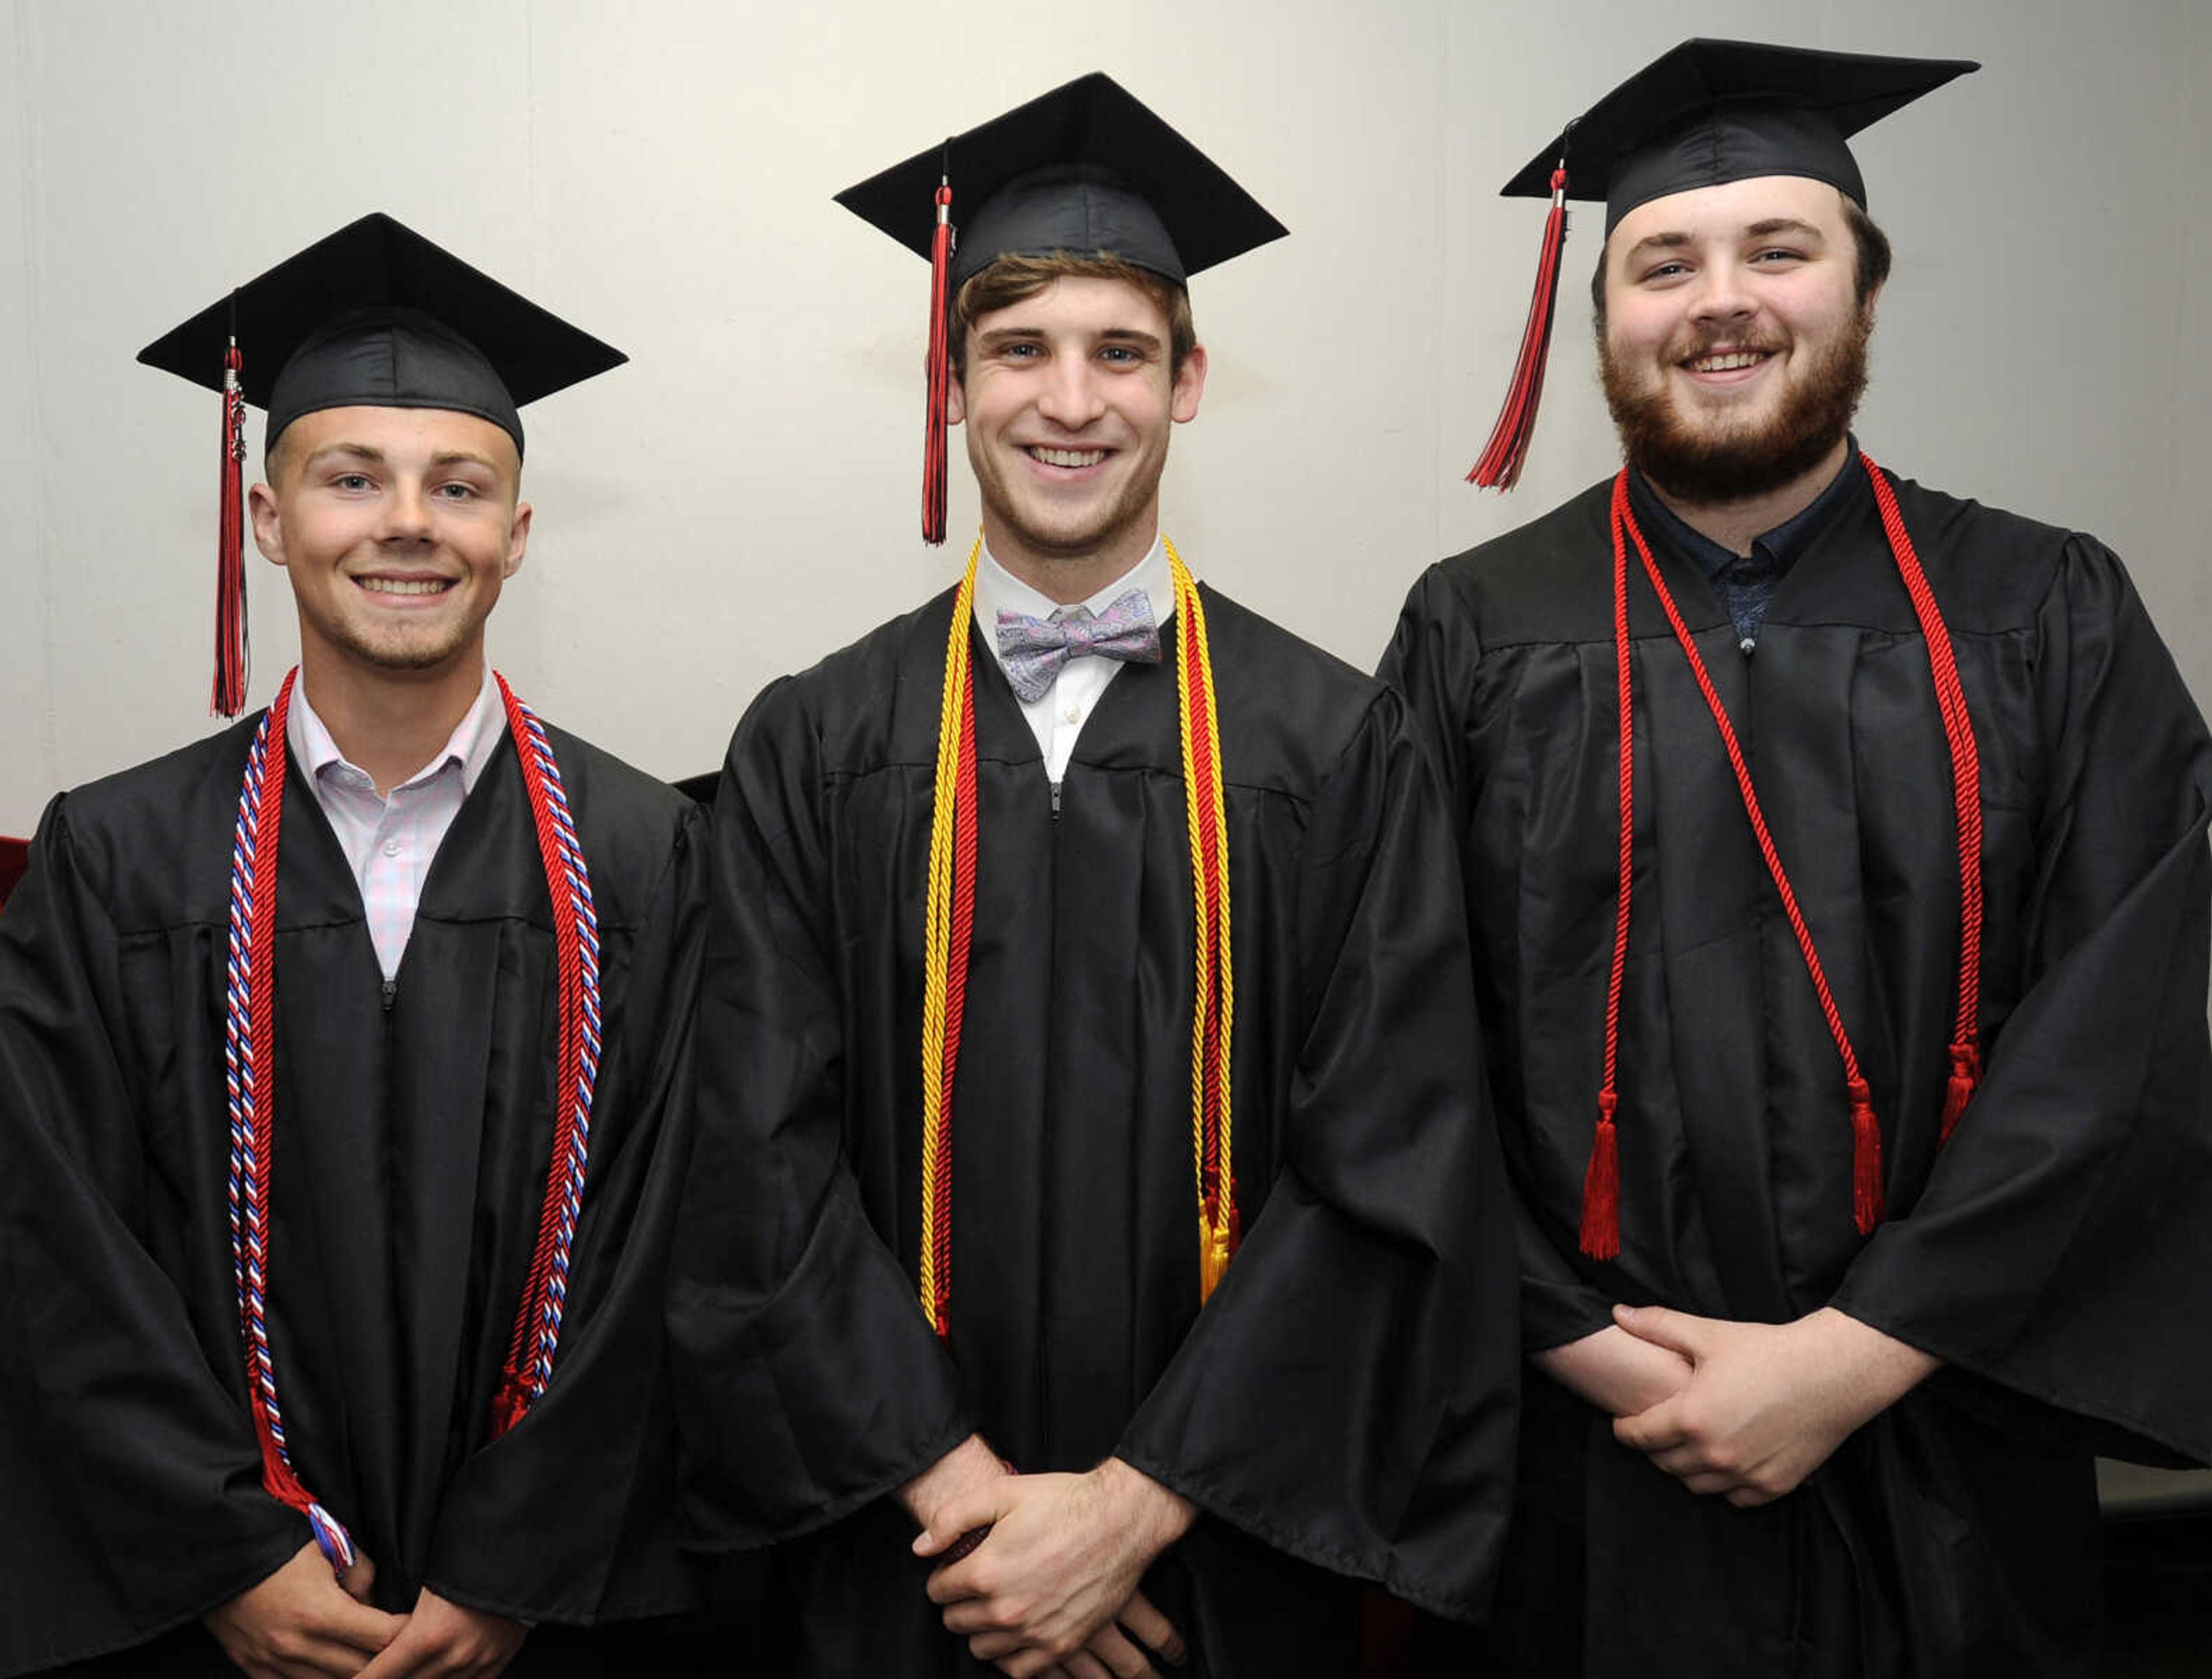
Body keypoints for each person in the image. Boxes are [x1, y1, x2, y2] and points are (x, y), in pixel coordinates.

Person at [1380, 37, 2212, 1678]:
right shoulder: (1476, 630)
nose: (1721, 300)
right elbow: (1393, 1038)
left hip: (1951, 1425)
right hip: (1591, 1453)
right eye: (1663, 262)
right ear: (1601, 317)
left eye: (1779, 249)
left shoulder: (2050, 609)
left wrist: (1856, 1351)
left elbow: (2111, 1041)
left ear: (1863, 289)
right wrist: (1588, 1348)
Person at [669, 73, 1517, 1678]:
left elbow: (1388, 1157)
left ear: (1191, 382)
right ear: (954, 382)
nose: (1071, 401)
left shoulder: (1337, 744)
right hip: (908, 1553)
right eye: (1019, 350)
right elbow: (751, 1158)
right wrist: (969, 1503)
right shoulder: (816, 740)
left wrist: (1133, 1508)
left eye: (1120, 351)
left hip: (1219, 1556)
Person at [1, 214, 710, 1677]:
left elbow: (673, 1240)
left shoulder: (647, 859)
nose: (406, 523)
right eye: (350, 478)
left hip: (542, 1618)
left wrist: (518, 1565)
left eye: (458, 486)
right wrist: (228, 1552)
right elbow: (55, 1236)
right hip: (213, 1617)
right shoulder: (116, 856)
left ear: (514, 536)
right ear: (270, 518)